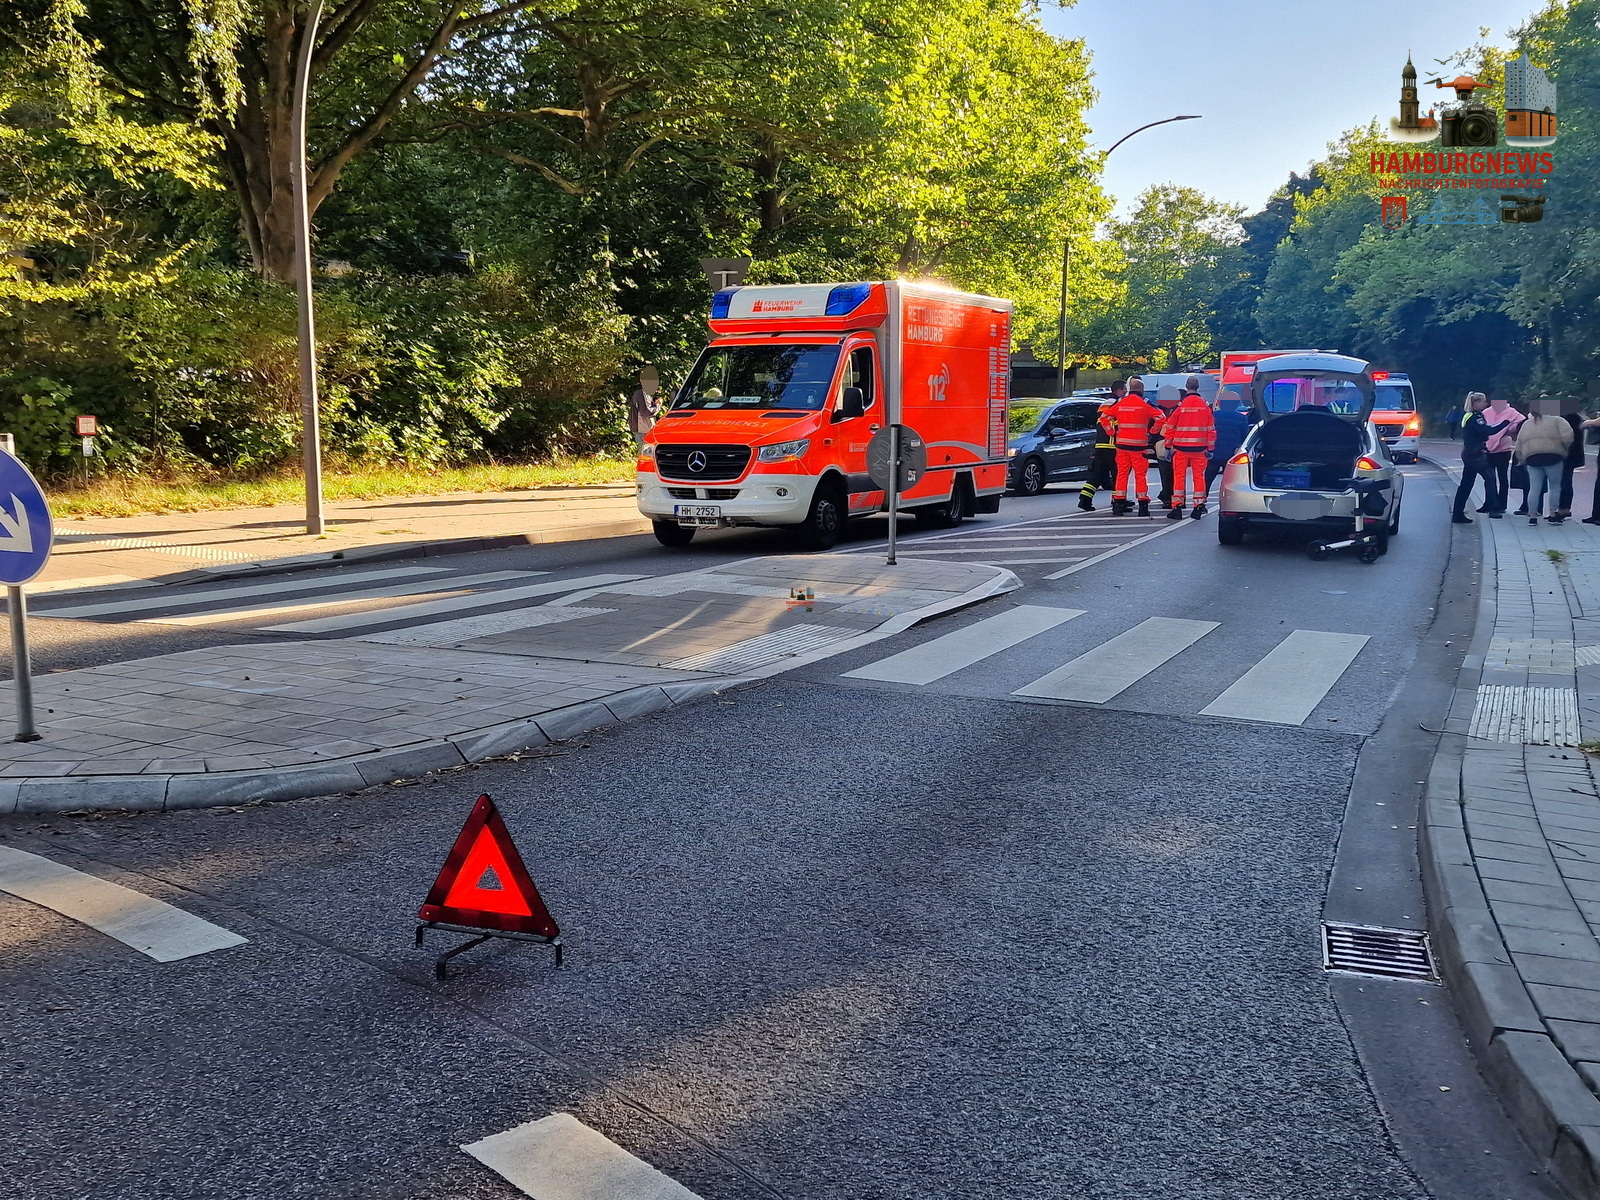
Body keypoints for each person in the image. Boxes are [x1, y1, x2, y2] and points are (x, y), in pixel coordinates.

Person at [1107, 379, 1165, 516]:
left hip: (1121, 445)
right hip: (1139, 446)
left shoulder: (1121, 403)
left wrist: (1112, 432)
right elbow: (1161, 418)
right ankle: (1143, 505)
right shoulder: (1145, 404)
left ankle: (1118, 504)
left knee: (1122, 474)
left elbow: (1104, 418)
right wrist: (1152, 433)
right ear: (1141, 389)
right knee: (1140, 476)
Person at [1513, 398, 1574, 524]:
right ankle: (1552, 514)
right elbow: (1568, 437)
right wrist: (1564, 449)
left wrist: (1521, 458)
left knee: (1534, 487)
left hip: (1532, 458)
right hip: (1553, 457)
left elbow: (1519, 443)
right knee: (1555, 486)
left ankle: (1532, 516)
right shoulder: (1558, 420)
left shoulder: (1527, 424)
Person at [1161, 380, 1216, 519]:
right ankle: (1198, 506)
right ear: (1198, 387)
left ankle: (1177, 506)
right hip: (1200, 449)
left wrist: (1168, 446)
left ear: (1187, 387)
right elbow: (1211, 430)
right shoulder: (1205, 406)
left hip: (1180, 449)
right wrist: (1210, 448)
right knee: (1199, 477)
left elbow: (1170, 427)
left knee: (1179, 477)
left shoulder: (1180, 406)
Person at [1451, 393, 1510, 524]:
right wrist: (1505, 423)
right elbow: (1487, 430)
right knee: (1490, 477)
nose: (1485, 404)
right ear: (1475, 403)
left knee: (1466, 484)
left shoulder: (1469, 416)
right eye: (1483, 401)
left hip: (1470, 452)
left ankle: (1457, 513)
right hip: (1475, 454)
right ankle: (1494, 509)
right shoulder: (1475, 417)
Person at [1078, 381, 1125, 512]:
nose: (1126, 392)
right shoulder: (1118, 404)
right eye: (1124, 389)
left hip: (1100, 445)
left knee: (1097, 474)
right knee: (1118, 475)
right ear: (1119, 390)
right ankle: (1118, 501)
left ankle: (1085, 500)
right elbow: (1117, 424)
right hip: (1113, 445)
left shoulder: (1103, 404)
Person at [1481, 393, 1523, 516]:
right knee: (1489, 478)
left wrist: (1511, 431)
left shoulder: (1511, 412)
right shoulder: (1486, 412)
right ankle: (1489, 503)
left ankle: (1502, 505)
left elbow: (1521, 423)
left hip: (1503, 450)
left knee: (1503, 478)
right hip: (1488, 449)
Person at [1206, 390, 1250, 493]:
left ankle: (1201, 500)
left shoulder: (1213, 416)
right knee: (1231, 481)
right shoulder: (1241, 418)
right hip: (1231, 455)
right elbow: (1245, 437)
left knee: (1207, 480)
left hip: (1214, 453)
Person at [1554, 398, 1588, 522]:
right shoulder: (1578, 417)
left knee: (1564, 482)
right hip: (1574, 454)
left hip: (1566, 454)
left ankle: (1563, 508)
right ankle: (1565, 508)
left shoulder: (1567, 417)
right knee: (1566, 480)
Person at [1150, 383, 1183, 508]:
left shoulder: (1177, 410)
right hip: (1164, 445)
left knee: (1174, 474)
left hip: (1175, 444)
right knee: (1168, 473)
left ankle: (1172, 498)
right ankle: (1169, 497)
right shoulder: (1160, 409)